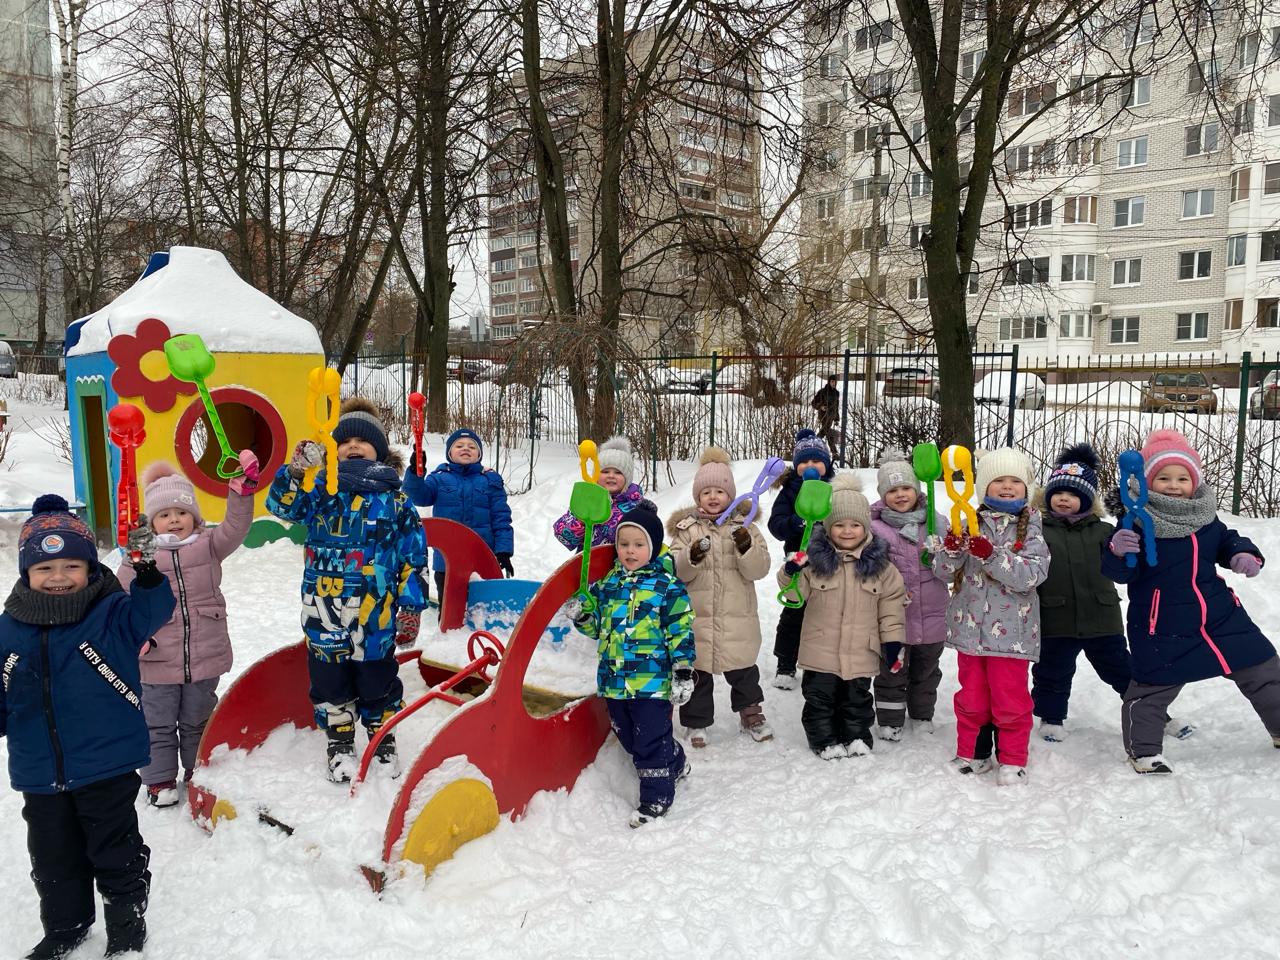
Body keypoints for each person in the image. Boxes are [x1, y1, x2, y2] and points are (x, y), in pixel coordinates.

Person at [1, 495, 173, 959]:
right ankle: (65, 928)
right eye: (44, 569)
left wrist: (146, 569)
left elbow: (152, 611)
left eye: (71, 566)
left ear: (90, 568)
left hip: (106, 763)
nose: (58, 578)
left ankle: (126, 925)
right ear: (26, 573)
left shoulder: (112, 612)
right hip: (40, 771)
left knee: (115, 850)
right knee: (53, 858)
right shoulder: (9, 627)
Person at [266, 397, 430, 783]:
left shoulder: (396, 500)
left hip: (377, 613)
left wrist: (411, 606)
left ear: (381, 449)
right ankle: (339, 740)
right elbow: (282, 506)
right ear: (334, 449)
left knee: (378, 679)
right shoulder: (321, 491)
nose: (353, 445)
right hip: (324, 609)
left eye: (364, 440)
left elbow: (413, 557)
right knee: (328, 680)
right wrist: (294, 472)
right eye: (345, 441)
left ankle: (381, 735)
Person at [1104, 428, 1280, 774]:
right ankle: (1145, 751)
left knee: (1263, 667)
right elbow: (1121, 574)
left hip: (1219, 615)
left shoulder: (1204, 517)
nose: (1173, 484)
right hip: (1162, 622)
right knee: (1151, 689)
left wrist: (1242, 554)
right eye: (1163, 477)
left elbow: (1226, 540)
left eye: (1182, 477)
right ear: (1146, 480)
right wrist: (1117, 551)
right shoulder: (1137, 522)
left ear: (1194, 481)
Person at [116, 453, 259, 809]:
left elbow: (236, 527)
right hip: (157, 655)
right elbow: (122, 598)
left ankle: (197, 771)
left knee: (197, 718)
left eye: (182, 512)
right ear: (152, 521)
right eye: (164, 514)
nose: (174, 520)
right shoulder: (141, 553)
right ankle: (159, 780)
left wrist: (240, 492)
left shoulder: (208, 545)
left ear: (193, 516)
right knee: (158, 722)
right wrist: (136, 638)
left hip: (203, 652)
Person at [570, 501, 695, 827]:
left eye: (638, 544)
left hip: (652, 682)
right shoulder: (608, 585)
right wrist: (584, 616)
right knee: (627, 735)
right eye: (623, 544)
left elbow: (680, 630)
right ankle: (676, 761)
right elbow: (597, 628)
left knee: (650, 740)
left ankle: (656, 798)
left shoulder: (666, 587)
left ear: (652, 548)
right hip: (614, 679)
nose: (629, 551)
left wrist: (683, 668)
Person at [930, 447, 1050, 786]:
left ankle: (1013, 758)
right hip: (970, 631)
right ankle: (973, 752)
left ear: (1026, 488)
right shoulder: (968, 520)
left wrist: (992, 555)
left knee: (1009, 698)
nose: (1008, 487)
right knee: (972, 697)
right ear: (984, 487)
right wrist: (952, 550)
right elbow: (941, 572)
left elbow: (1031, 575)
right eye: (999, 481)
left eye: (1015, 481)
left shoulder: (1032, 530)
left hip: (1012, 634)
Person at [779, 474, 906, 759]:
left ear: (866, 527)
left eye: (855, 524)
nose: (847, 531)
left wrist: (894, 643)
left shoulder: (882, 568)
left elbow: (891, 609)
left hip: (862, 651)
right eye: (839, 524)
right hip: (820, 651)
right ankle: (823, 740)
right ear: (827, 526)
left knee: (857, 699)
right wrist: (791, 572)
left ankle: (857, 737)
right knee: (819, 700)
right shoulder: (814, 562)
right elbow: (793, 596)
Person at [666, 447, 773, 747]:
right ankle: (696, 723)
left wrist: (745, 548)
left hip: (737, 618)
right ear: (697, 498)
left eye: (720, 492)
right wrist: (692, 555)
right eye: (706, 492)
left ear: (731, 495)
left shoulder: (745, 528)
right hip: (697, 618)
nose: (713, 497)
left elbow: (759, 569)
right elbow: (676, 569)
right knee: (699, 673)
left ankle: (751, 713)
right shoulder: (686, 531)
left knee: (743, 671)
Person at [868, 450, 949, 741]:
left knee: (927, 671)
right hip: (893, 619)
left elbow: (952, 565)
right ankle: (890, 719)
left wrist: (944, 547)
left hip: (932, 616)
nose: (900, 495)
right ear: (882, 495)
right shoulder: (875, 528)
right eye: (892, 490)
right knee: (891, 671)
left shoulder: (935, 522)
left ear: (917, 490)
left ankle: (922, 714)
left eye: (906, 488)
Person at [403, 426, 514, 604]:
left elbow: (501, 517)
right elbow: (418, 497)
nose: (465, 449)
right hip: (447, 561)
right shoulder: (439, 478)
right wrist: (415, 474)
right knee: (450, 609)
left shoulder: (490, 480)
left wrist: (504, 551)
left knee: (482, 607)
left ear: (479, 454)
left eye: (472, 446)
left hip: (483, 556)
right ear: (449, 453)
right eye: (459, 445)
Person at [767, 428, 835, 689]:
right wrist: (796, 522)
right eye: (803, 462)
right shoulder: (790, 491)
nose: (809, 466)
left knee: (825, 613)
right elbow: (776, 525)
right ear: (796, 467)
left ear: (826, 464)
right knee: (795, 610)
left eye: (816, 460)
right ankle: (785, 663)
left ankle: (820, 663)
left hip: (829, 561)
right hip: (798, 560)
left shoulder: (833, 488)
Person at [553, 435, 645, 551]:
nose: (611, 476)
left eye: (618, 472)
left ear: (627, 478)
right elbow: (562, 534)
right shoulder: (587, 500)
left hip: (620, 566)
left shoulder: (637, 506)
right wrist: (581, 519)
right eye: (605, 471)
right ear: (596, 475)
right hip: (586, 564)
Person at [811, 375, 840, 445]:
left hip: (831, 416)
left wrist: (836, 418)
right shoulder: (822, 392)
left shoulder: (836, 393)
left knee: (824, 431)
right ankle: (834, 452)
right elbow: (813, 403)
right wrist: (821, 407)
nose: (834, 383)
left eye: (835, 382)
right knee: (827, 432)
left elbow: (836, 406)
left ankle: (814, 443)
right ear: (829, 382)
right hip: (823, 415)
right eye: (832, 381)